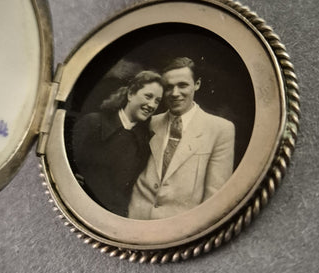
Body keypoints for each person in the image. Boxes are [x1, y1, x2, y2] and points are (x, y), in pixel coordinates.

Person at [128, 58, 235, 220]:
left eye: (183, 85)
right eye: (168, 87)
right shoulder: (150, 122)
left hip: (180, 226)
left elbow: (214, 199)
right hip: (135, 218)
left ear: (197, 84)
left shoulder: (220, 129)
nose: (175, 93)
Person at [72, 71, 164, 217]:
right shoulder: (93, 123)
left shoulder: (144, 143)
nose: (152, 105)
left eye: (157, 101)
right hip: (77, 207)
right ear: (131, 94)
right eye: (148, 96)